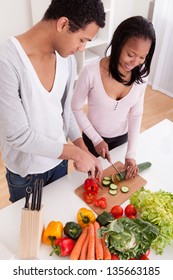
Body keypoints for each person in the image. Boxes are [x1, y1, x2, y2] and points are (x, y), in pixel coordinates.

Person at [0, 0, 105, 203]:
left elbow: (65, 113)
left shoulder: (67, 59)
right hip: (27, 174)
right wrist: (75, 153)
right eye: (82, 39)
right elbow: (17, 136)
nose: (82, 48)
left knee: (58, 226)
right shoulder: (7, 62)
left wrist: (84, 151)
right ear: (63, 24)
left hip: (59, 163)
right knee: (30, 231)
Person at [71, 16, 156, 180]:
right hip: (92, 138)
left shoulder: (141, 77)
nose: (135, 62)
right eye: (131, 54)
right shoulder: (91, 72)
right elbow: (75, 108)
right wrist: (96, 139)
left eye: (142, 57)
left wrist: (131, 153)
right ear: (119, 44)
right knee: (90, 184)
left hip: (122, 139)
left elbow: (136, 114)